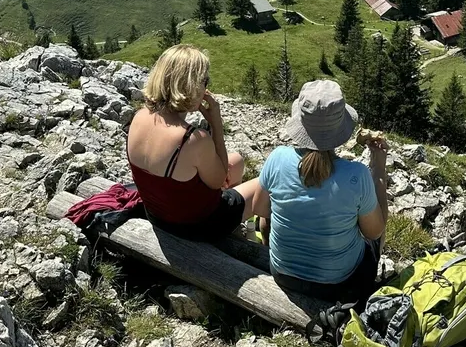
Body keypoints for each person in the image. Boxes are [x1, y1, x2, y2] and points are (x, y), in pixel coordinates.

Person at [252, 80, 389, 304]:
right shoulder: (357, 174)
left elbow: (259, 209)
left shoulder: (277, 158)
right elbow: (374, 232)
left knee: (268, 218)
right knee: (374, 233)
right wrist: (379, 169)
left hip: (283, 274)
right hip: (339, 285)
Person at [127, 45, 261, 241]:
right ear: (189, 86)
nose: (206, 88)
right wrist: (216, 125)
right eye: (204, 81)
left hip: (157, 214)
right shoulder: (192, 139)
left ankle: (235, 227)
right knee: (263, 186)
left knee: (237, 160)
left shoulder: (139, 117)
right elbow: (218, 181)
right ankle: (257, 241)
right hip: (195, 227)